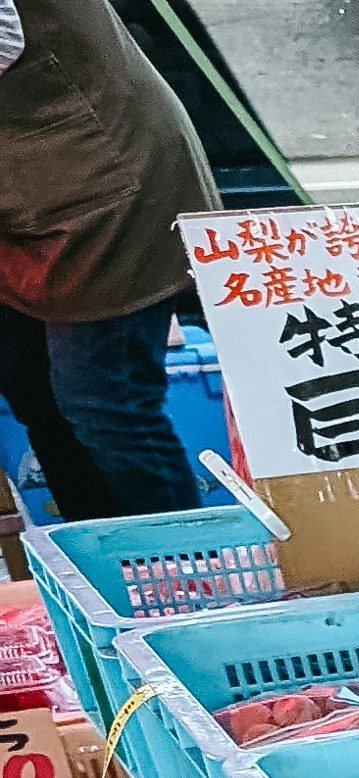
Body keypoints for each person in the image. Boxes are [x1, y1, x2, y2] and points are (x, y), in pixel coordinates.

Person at [0, 0, 218, 518]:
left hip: (100, 178)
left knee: (104, 404)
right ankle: (96, 569)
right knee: (39, 400)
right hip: (23, 194)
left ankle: (180, 579)